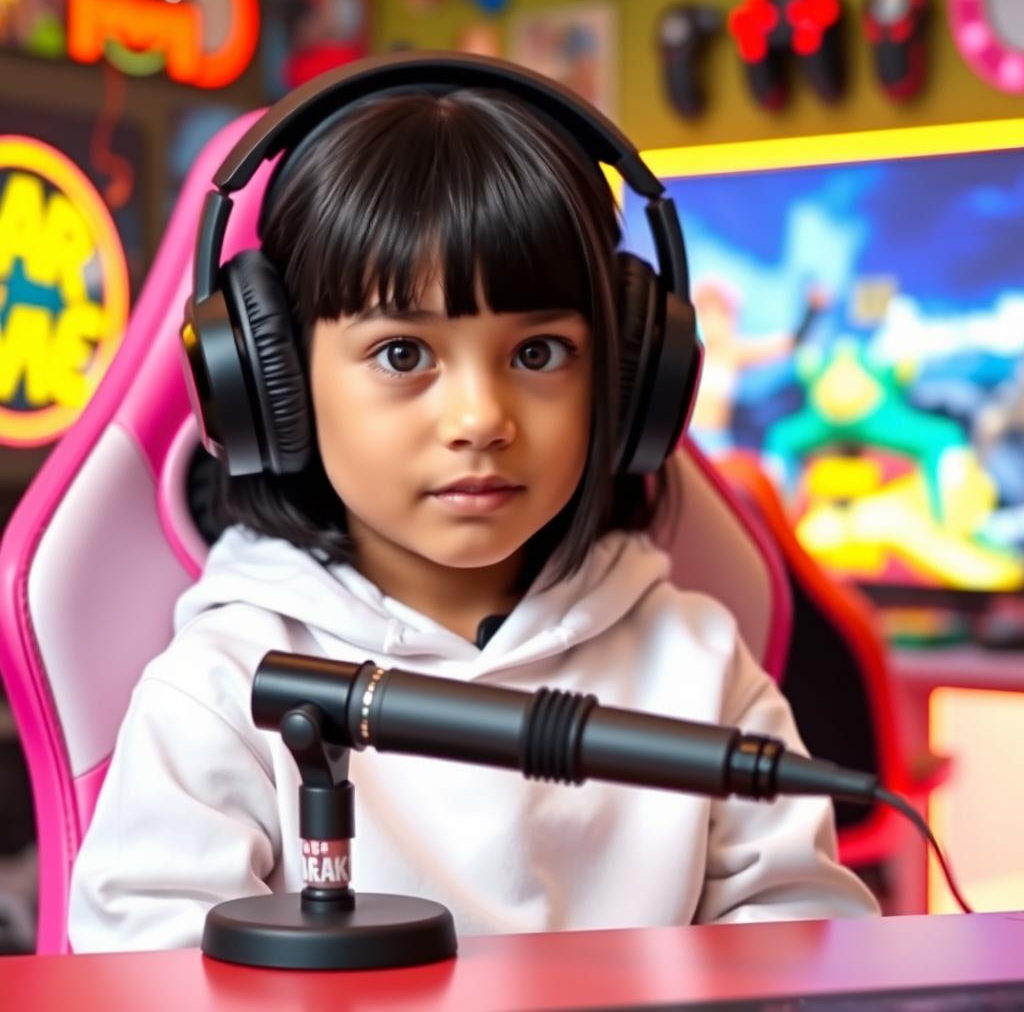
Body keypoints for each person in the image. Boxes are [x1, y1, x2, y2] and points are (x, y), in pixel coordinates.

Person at [67, 54, 878, 953]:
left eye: (537, 354)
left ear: (625, 378)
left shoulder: (700, 667)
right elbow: (142, 975)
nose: (481, 419)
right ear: (275, 382)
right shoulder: (224, 687)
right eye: (404, 355)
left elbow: (804, 941)